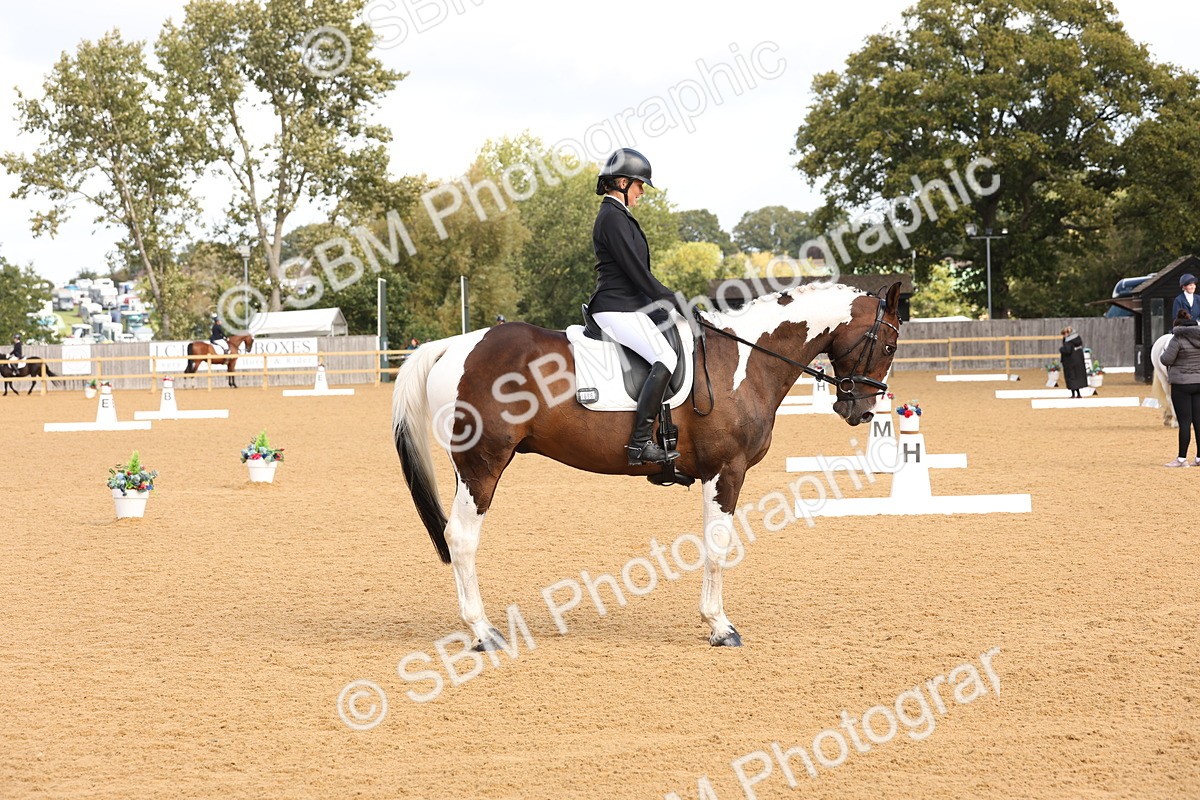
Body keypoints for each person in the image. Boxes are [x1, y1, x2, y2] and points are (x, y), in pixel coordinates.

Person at [587, 147, 686, 466]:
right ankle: (640, 443)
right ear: (622, 183)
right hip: (614, 307)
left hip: (628, 305)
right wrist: (674, 300)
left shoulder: (619, 216)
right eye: (640, 185)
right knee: (665, 357)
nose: (642, 191)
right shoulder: (612, 218)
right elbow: (637, 273)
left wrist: (665, 307)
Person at [1159, 310, 1200, 466]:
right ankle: (1199, 457)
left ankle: (1182, 459)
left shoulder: (1177, 339)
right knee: (1198, 421)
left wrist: (1164, 353)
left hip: (1182, 385)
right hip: (1199, 383)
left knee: (1184, 422)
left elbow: (1166, 360)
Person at [1059, 327, 1088, 398]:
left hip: (1070, 362)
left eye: (1064, 334)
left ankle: (1073, 394)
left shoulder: (1068, 341)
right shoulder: (1078, 340)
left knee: (1071, 377)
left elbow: (1067, 351)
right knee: (1078, 377)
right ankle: (1078, 394)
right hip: (1079, 361)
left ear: (1067, 333)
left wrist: (1061, 349)